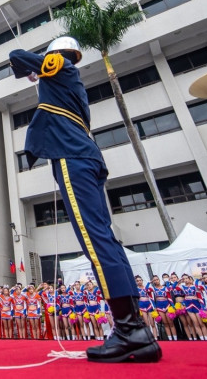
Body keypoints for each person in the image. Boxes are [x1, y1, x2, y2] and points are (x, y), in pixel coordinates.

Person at [9, 39, 160, 363]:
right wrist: (38, 77)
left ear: (53, 56)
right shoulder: (66, 79)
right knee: (106, 240)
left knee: (95, 242)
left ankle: (129, 330)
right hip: (85, 157)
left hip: (72, 158)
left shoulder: (60, 66)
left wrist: (35, 69)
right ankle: (136, 330)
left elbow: (17, 56)